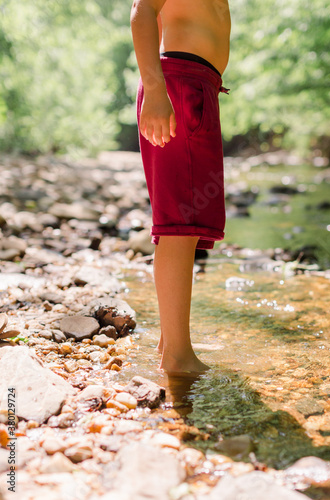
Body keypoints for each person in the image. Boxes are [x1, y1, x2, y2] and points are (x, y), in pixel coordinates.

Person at [130, 0, 231, 374]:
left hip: (197, 87)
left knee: (186, 228)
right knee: (179, 226)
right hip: (179, 87)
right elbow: (142, 10)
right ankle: (177, 356)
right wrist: (156, 89)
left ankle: (169, 342)